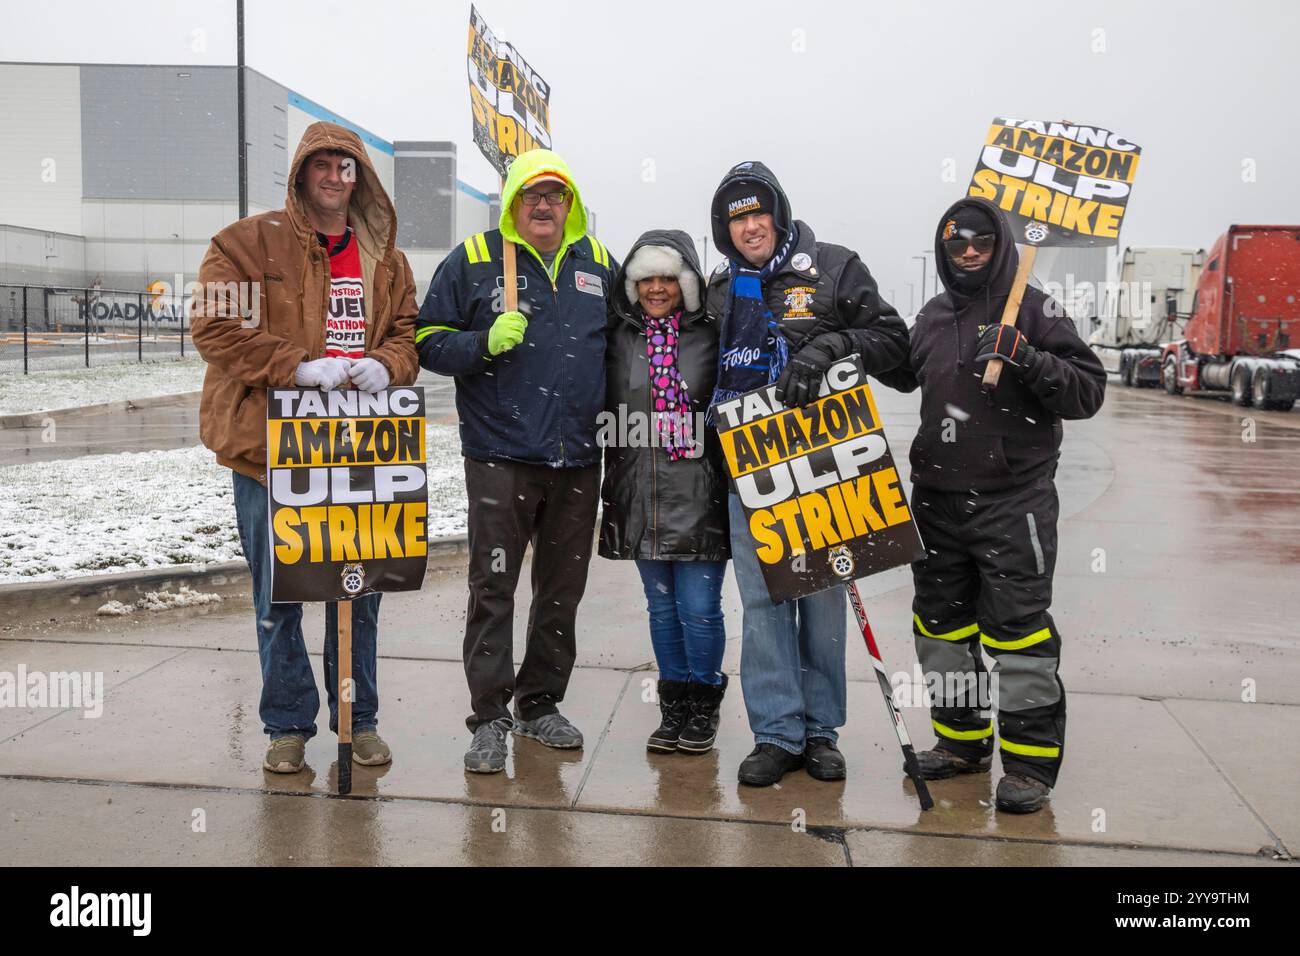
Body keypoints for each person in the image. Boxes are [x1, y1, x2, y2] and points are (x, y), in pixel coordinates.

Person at [191, 121, 420, 774]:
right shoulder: (243, 245)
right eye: (320, 164)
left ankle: (359, 720)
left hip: (357, 456)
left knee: (358, 593)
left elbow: (407, 334)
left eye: (345, 166)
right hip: (269, 456)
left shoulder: (387, 259)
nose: (332, 175)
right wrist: (295, 366)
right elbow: (213, 324)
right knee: (278, 598)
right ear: (299, 174)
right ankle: (286, 726)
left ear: (360, 179)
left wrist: (388, 364)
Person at [875, 197, 1106, 813]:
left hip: (1013, 502)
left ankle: (1030, 768)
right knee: (941, 632)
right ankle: (961, 745)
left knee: (1019, 634)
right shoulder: (931, 315)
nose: (970, 252)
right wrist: (845, 342)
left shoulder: (1034, 307)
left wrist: (1026, 354)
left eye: (980, 242)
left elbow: (1087, 392)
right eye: (957, 245)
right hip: (936, 502)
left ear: (1000, 244)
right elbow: (896, 367)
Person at [705, 161, 909, 786]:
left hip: (825, 468)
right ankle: (776, 733)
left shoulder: (834, 265)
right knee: (763, 601)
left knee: (821, 599)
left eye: (757, 211)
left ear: (779, 213)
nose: (749, 225)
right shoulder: (719, 288)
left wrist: (829, 347)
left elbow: (893, 342)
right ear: (725, 229)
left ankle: (821, 731)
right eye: (736, 217)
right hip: (751, 469)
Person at [415, 149, 619, 774]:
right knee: (494, 586)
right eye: (531, 196)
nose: (543, 205)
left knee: (561, 590)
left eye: (554, 196)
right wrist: (481, 343)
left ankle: (540, 703)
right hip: (500, 455)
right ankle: (489, 717)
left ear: (570, 204)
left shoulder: (600, 265)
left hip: (580, 459)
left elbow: (629, 346)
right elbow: (425, 340)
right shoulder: (475, 261)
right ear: (512, 203)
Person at [600, 229, 730, 754]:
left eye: (667, 278)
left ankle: (705, 700)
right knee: (660, 607)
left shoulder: (712, 334)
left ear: (687, 283)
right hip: (639, 489)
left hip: (699, 491)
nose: (656, 288)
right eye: (645, 278)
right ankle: (674, 703)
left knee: (699, 607)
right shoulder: (617, 335)